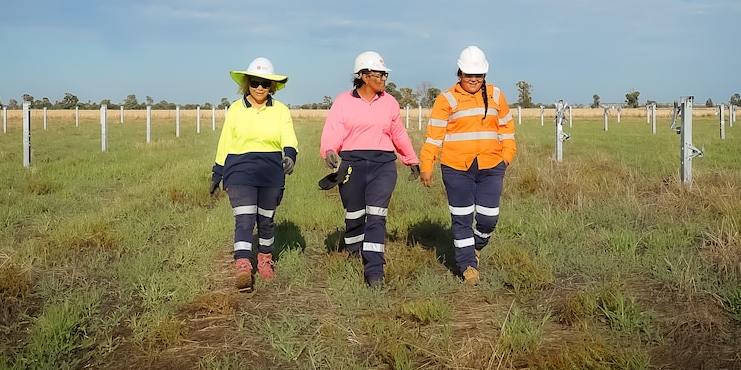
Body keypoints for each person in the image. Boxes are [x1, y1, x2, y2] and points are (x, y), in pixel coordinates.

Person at [320, 51, 420, 288]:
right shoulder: (343, 101)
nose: (384, 78)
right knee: (354, 214)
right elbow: (333, 130)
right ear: (364, 76)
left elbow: (398, 133)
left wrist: (411, 159)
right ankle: (355, 250)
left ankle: (374, 270)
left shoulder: (390, 102)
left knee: (376, 215)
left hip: (383, 165)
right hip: (352, 164)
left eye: (385, 74)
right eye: (379, 74)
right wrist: (329, 151)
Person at [419, 46, 516, 286]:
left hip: (491, 166)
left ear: (485, 75)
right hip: (456, 168)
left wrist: (506, 156)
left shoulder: (496, 95)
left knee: (488, 218)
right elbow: (434, 137)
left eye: (479, 75)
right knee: (461, 218)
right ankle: (467, 266)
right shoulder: (446, 99)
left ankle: (476, 246)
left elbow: (507, 129)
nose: (474, 79)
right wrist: (427, 164)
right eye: (468, 74)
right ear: (459, 73)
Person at [210, 57, 298, 291]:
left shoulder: (280, 110)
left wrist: (290, 156)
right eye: (255, 82)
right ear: (247, 83)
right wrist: (217, 172)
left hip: (271, 170)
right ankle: (243, 266)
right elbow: (225, 141)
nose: (260, 88)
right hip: (239, 169)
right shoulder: (236, 109)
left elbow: (288, 137)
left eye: (265, 83)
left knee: (266, 220)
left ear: (272, 86)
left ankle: (264, 260)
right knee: (245, 218)